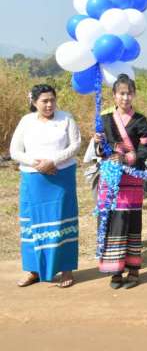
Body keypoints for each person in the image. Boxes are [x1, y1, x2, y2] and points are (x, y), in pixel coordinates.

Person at [10, 84, 80, 288]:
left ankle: (66, 269)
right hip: (34, 179)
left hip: (61, 177)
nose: (49, 105)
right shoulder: (26, 121)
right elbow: (15, 151)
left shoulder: (66, 118)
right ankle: (33, 270)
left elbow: (75, 145)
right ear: (34, 102)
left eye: (52, 100)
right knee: (33, 223)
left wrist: (53, 161)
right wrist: (37, 164)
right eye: (44, 101)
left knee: (62, 221)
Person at [94, 75, 147, 289]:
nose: (125, 97)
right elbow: (100, 151)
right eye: (121, 93)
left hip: (132, 176)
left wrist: (128, 158)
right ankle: (115, 270)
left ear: (134, 95)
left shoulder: (140, 120)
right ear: (114, 95)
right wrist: (98, 144)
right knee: (113, 220)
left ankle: (133, 270)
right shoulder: (104, 119)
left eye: (129, 93)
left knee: (131, 220)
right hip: (111, 178)